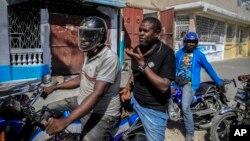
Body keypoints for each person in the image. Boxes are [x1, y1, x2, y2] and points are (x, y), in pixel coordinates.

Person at [43, 16, 121, 141]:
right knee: (48, 108)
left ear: (100, 36)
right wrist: (55, 87)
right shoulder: (89, 53)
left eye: (89, 35)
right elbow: (81, 78)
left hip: (102, 114)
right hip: (82, 101)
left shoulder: (108, 58)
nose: (84, 39)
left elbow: (97, 94)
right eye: (83, 34)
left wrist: (66, 121)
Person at [120, 17, 176, 141]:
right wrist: (128, 87)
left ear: (157, 33)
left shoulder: (167, 53)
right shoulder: (137, 49)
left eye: (145, 31)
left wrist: (143, 64)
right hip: (135, 101)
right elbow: (135, 74)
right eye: (140, 30)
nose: (140, 33)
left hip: (154, 109)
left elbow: (164, 86)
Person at [175, 32, 223, 141]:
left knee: (185, 107)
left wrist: (219, 82)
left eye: (193, 42)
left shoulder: (199, 55)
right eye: (188, 42)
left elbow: (209, 68)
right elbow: (174, 67)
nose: (190, 44)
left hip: (190, 84)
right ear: (185, 42)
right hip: (177, 82)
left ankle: (190, 134)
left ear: (196, 43)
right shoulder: (179, 53)